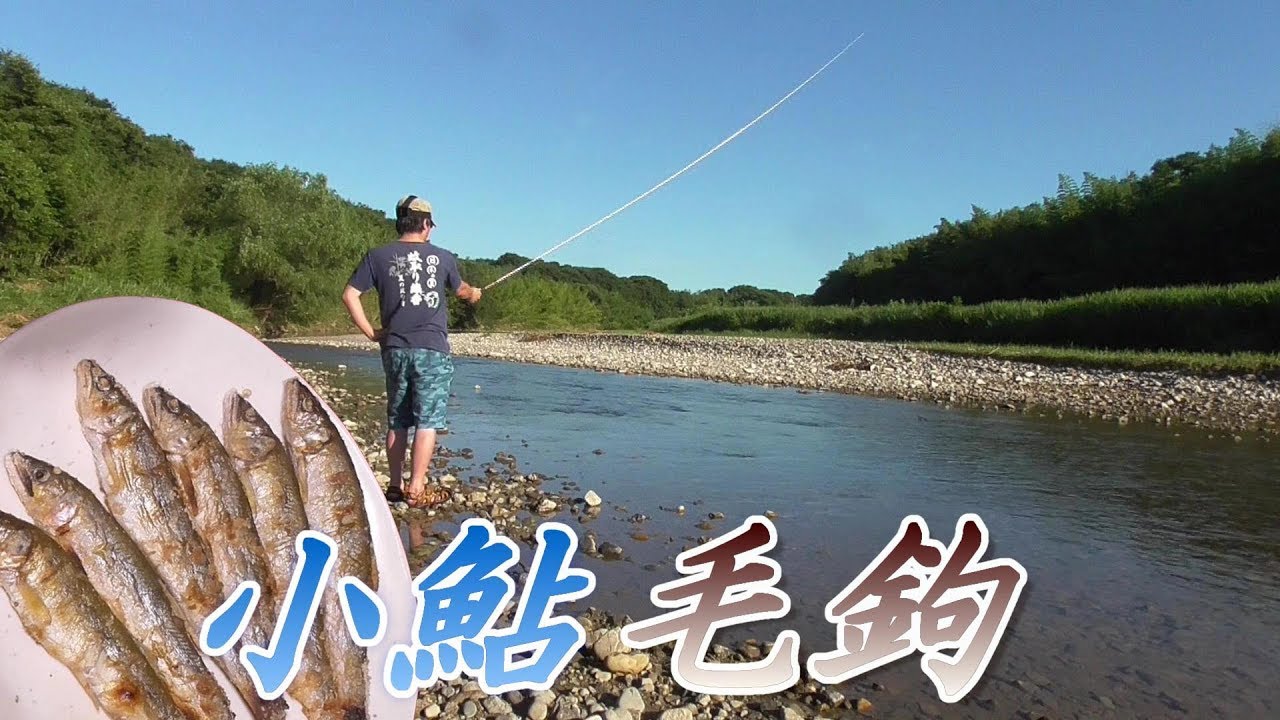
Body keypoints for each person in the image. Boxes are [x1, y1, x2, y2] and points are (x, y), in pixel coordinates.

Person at [342, 195, 482, 507]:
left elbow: (350, 295)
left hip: (394, 348)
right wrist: (474, 294)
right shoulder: (443, 258)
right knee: (427, 420)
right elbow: (461, 291)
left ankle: (394, 485)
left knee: (398, 419)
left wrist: (372, 333)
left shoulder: (377, 256)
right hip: (432, 349)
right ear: (426, 224)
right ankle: (416, 487)